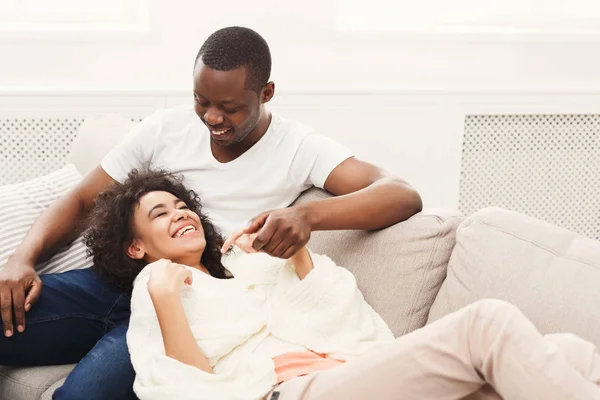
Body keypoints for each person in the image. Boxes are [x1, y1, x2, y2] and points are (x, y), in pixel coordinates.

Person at [0, 27, 422, 399]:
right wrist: (22, 258)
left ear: (266, 93)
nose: (212, 118)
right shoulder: (164, 129)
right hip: (116, 280)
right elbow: (79, 201)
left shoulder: (299, 147)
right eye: (202, 101)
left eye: (230, 107)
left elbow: (400, 194)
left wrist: (308, 217)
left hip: (191, 306)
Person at [86, 168, 600, 400]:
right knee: (487, 324)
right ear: (136, 247)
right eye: (160, 214)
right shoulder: (156, 284)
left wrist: (294, 253)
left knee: (566, 350)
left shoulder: (245, 268)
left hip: (349, 375)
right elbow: (182, 388)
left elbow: (337, 315)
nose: (180, 215)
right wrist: (163, 296)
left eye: (181, 205)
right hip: (286, 393)